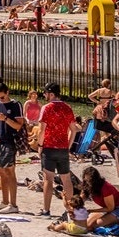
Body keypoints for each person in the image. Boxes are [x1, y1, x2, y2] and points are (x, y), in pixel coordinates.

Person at [36, 83, 78, 218]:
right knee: (66, 179)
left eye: (46, 93)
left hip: (49, 147)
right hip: (63, 148)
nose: (44, 95)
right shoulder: (67, 108)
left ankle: (46, 210)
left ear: (51, 94)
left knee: (48, 179)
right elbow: (73, 129)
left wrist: (40, 145)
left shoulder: (46, 108)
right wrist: (69, 145)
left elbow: (42, 130)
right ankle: (70, 209)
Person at [0, 81, 25, 213]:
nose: (0, 100)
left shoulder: (15, 105)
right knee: (1, 172)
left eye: (2, 97)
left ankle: (13, 204)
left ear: (7, 93)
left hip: (10, 141)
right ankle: (4, 201)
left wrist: (5, 119)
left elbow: (18, 125)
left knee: (10, 172)